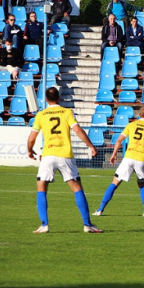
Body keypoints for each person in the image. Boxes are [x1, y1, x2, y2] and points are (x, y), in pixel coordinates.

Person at [27, 87, 102, 234]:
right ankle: (87, 225)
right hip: (65, 154)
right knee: (76, 188)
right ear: (59, 98)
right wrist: (91, 146)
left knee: (41, 187)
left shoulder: (41, 115)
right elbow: (78, 130)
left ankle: (44, 224)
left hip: (48, 155)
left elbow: (31, 138)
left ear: (46, 99)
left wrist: (30, 150)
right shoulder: (67, 112)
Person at [93, 106, 144, 217]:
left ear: (139, 115)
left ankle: (100, 210)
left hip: (129, 157)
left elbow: (119, 140)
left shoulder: (131, 125)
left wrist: (114, 154)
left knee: (115, 183)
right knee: (142, 185)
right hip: (142, 158)